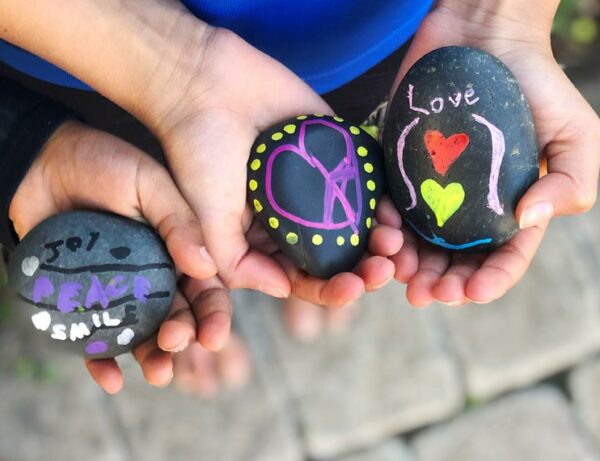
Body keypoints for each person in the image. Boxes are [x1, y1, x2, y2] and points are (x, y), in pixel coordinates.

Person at [0, 0, 598, 393]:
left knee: (360, 168)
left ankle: (320, 254)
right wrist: (165, 72)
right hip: (83, 47)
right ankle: (192, 270)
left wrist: (498, 11)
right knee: (169, 205)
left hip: (377, 31)